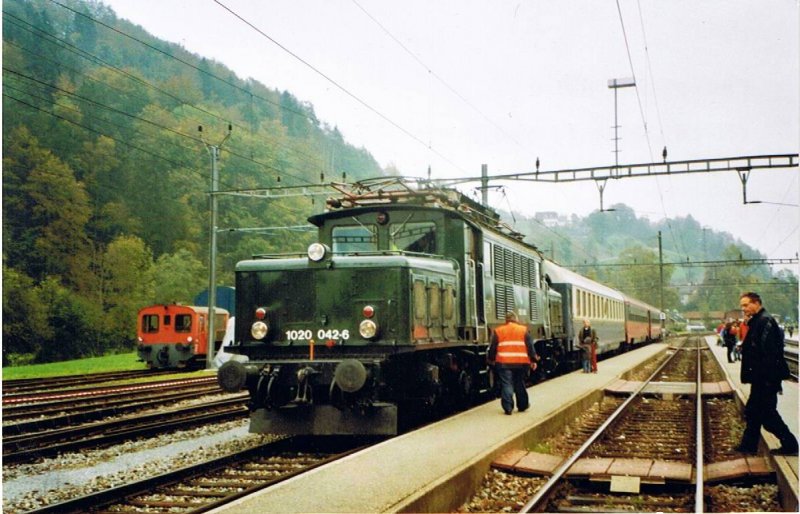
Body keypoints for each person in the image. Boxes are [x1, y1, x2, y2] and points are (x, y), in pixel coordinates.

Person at [735, 292, 799, 456]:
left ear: (756, 303)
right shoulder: (758, 321)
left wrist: (768, 379)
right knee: (753, 412)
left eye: (746, 305)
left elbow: (769, 353)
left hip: (766, 378)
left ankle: (790, 444)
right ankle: (748, 446)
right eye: (742, 306)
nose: (743, 309)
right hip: (761, 377)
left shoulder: (765, 321)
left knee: (767, 414)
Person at [488, 311, 538, 415]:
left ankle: (508, 408)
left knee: (507, 384)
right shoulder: (523, 330)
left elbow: (493, 347)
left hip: (503, 363)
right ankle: (522, 405)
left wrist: (491, 359)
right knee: (519, 383)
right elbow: (530, 347)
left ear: (506, 320)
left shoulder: (499, 331)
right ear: (516, 319)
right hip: (521, 363)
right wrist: (533, 360)